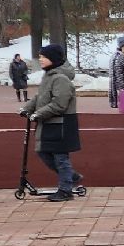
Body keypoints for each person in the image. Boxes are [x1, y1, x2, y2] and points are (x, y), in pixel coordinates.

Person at [18, 44, 82, 203]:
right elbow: (40, 97)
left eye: (43, 56)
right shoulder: (49, 76)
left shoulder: (60, 78)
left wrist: (38, 113)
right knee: (43, 151)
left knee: (60, 157)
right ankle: (70, 176)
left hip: (61, 124)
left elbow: (60, 104)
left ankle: (66, 190)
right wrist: (27, 109)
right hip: (50, 123)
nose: (40, 59)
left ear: (53, 59)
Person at [108, 36, 124, 111]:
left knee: (122, 108)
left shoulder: (114, 55)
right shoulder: (123, 56)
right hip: (123, 86)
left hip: (115, 86)